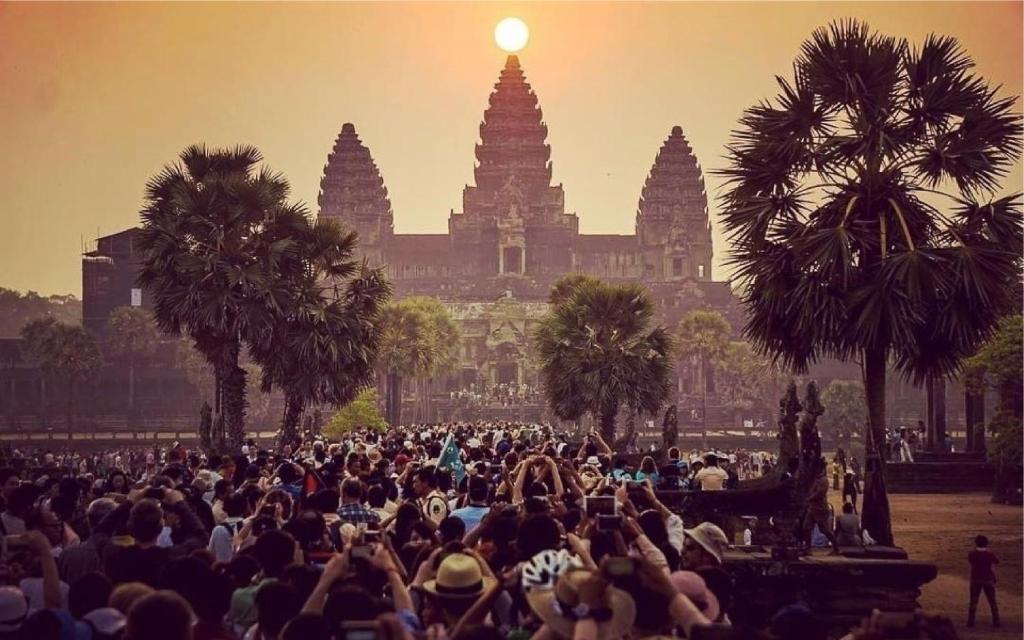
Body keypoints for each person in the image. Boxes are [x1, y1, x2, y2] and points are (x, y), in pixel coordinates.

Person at [967, 534, 1000, 628]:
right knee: (992, 602)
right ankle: (996, 622)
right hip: (988, 579)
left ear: (976, 543)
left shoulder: (972, 554)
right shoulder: (989, 554)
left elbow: (970, 560)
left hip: (975, 579)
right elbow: (997, 561)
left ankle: (970, 622)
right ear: (986, 543)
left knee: (973, 601)